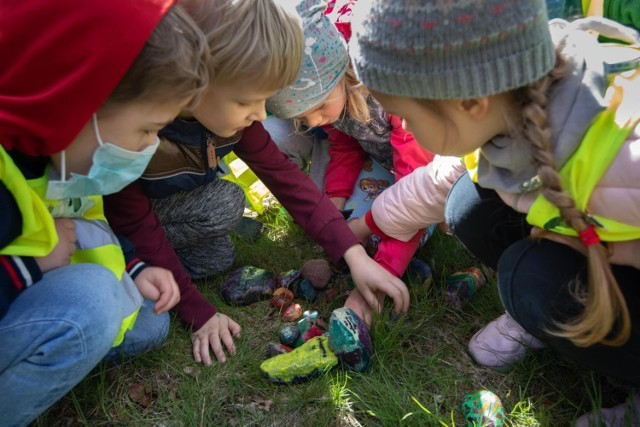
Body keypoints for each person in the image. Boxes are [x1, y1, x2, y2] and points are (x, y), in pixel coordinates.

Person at [348, 0, 640, 423]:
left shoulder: (623, 162)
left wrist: (594, 248)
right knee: (468, 205)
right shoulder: (510, 102)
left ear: (469, 101)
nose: (405, 129)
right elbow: (436, 183)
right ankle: (545, 320)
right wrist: (362, 227)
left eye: (407, 115)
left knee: (527, 274)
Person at [103, 0, 410, 367]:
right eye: (250, 101)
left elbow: (287, 180)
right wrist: (197, 312)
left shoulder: (235, 116)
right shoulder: (138, 129)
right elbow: (134, 219)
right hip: (110, 220)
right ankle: (131, 262)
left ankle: (148, 265)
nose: (262, 114)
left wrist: (353, 254)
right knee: (207, 224)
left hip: (173, 204)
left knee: (221, 245)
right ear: (198, 83)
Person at [0, 0, 209, 425]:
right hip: (21, 286)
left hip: (34, 294)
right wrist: (28, 268)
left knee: (150, 321)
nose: (150, 147)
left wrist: (134, 268)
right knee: (92, 303)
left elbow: (85, 218)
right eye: (146, 130)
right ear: (76, 101)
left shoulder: (56, 156)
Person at [265, 0, 435, 324]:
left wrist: (375, 286)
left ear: (339, 74)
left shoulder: (395, 94)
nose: (313, 122)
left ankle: (395, 262)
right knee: (352, 231)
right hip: (385, 165)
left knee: (390, 226)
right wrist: (333, 207)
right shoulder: (334, 100)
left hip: (425, 173)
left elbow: (417, 191)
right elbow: (345, 148)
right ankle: (387, 253)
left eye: (316, 109)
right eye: (303, 117)